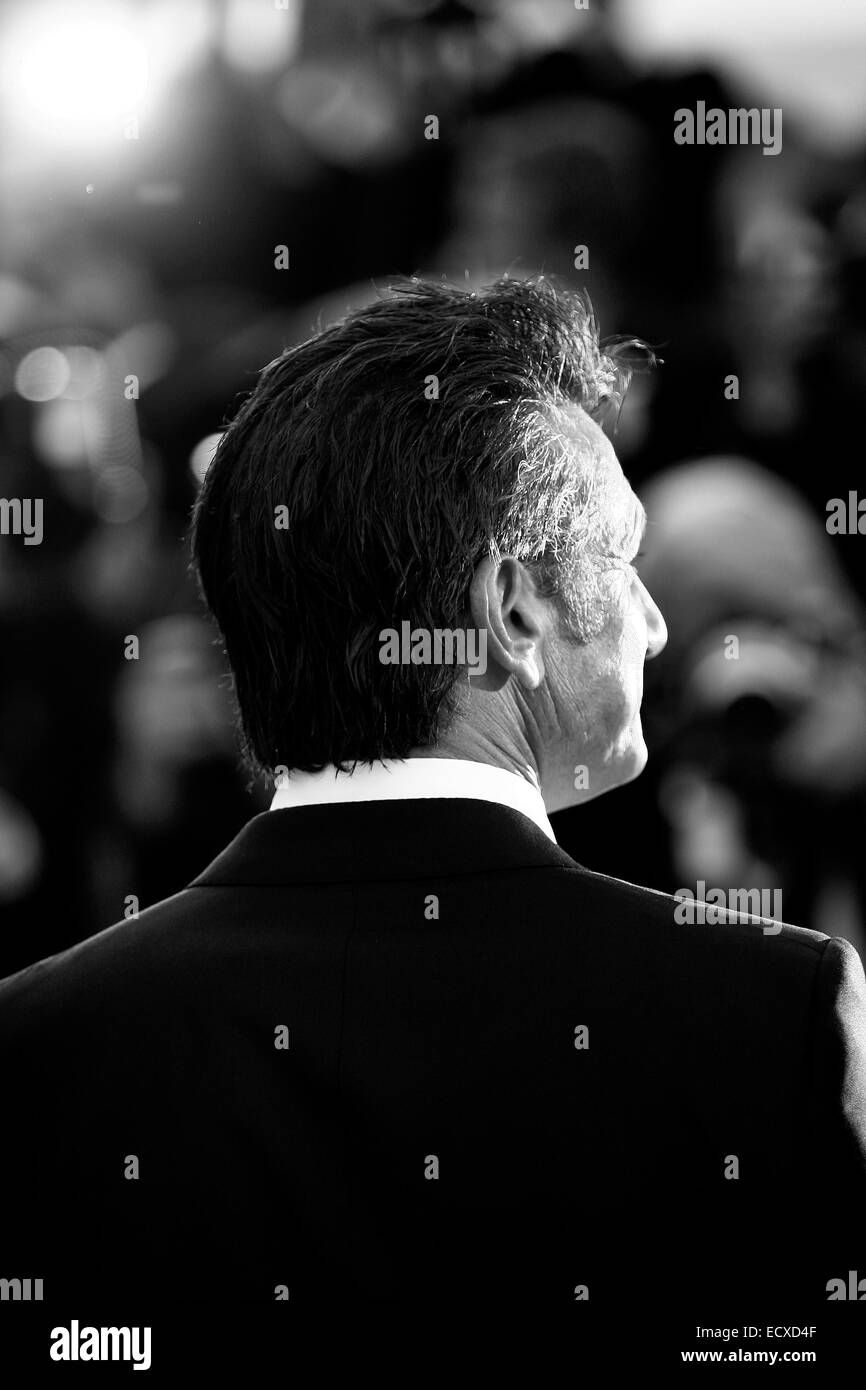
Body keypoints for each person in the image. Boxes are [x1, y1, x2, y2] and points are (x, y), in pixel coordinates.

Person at [1, 278, 864, 1333]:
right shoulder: (766, 1014)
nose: (652, 624)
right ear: (508, 609)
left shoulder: (41, 1044)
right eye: (620, 560)